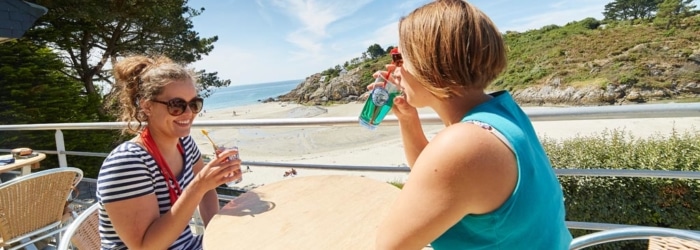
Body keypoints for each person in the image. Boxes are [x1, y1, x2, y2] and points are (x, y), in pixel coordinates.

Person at [374, 1, 572, 249]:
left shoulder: (464, 144)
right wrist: (407, 119)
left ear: (430, 63)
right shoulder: (501, 113)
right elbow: (441, 178)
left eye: (399, 57)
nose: (394, 69)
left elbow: (388, 246)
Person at [97, 55, 242, 250]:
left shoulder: (185, 144)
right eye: (177, 105)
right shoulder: (127, 162)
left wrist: (214, 236)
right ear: (147, 106)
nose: (188, 113)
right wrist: (198, 186)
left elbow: (208, 192)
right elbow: (145, 247)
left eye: (194, 104)